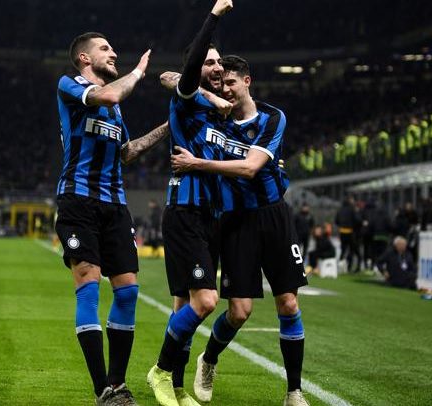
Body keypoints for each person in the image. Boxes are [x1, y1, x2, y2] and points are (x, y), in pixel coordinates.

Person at [171, 55, 310, 406]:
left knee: (289, 303)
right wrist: (210, 96)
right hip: (234, 220)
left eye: (232, 83)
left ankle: (294, 391)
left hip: (274, 215)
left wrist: (197, 162)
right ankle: (210, 359)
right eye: (223, 83)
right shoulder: (215, 117)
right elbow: (171, 78)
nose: (227, 89)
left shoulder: (272, 117)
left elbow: (250, 168)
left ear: (247, 82)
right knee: (239, 311)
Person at [54, 32, 168, 405]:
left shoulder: (116, 111)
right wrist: (137, 72)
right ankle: (102, 386)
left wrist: (171, 124)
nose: (113, 52)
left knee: (129, 290)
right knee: (88, 284)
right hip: (78, 202)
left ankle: (116, 384)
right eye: (105, 49)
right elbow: (111, 93)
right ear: (84, 58)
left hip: (115, 205)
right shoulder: (71, 85)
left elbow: (128, 151)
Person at [145, 2, 233, 406]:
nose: (215, 66)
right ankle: (160, 371)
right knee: (206, 301)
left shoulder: (218, 114)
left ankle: (177, 387)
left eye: (220, 62)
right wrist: (214, 15)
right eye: (209, 61)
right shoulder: (185, 98)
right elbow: (181, 71)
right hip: (185, 211)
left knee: (183, 304)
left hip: (210, 216)